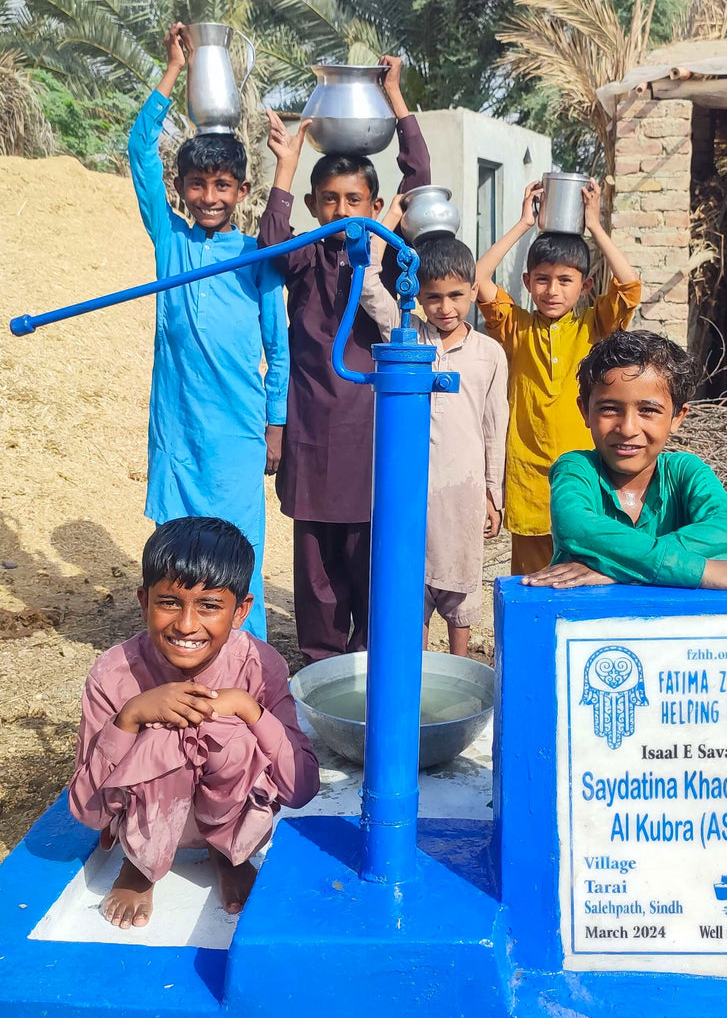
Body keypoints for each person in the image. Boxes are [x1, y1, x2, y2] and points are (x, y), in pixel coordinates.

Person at [258, 56, 430, 666]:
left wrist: (395, 99)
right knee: (316, 565)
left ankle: (371, 665)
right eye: (328, 200)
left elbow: (419, 179)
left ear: (375, 203)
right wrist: (285, 164)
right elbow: (269, 246)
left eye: (354, 200)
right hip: (309, 433)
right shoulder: (303, 258)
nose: (340, 211)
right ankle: (322, 665)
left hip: (370, 434)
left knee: (368, 556)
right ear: (313, 204)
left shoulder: (386, 256)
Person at [68, 517, 320, 930]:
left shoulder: (260, 666)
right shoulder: (113, 673)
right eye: (169, 602)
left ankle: (228, 852)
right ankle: (142, 864)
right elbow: (87, 809)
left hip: (230, 814)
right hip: (143, 816)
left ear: (240, 612)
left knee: (232, 736)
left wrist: (246, 709)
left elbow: (302, 787)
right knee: (163, 739)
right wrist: (130, 717)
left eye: (209, 606)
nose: (186, 625)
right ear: (143, 601)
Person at [128, 22, 288, 640]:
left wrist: (275, 425)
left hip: (237, 435)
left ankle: (248, 658)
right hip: (178, 428)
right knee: (175, 546)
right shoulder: (171, 242)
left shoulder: (259, 257)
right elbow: (141, 150)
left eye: (222, 185)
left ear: (242, 191)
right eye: (197, 184)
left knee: (236, 551)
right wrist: (172, 71)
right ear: (182, 189)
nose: (209, 195)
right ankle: (176, 644)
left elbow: (279, 350)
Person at [521, 330, 727, 591]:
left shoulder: (686, 472)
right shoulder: (576, 469)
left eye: (648, 410)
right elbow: (577, 528)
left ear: (677, 417)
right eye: (609, 409)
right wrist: (699, 571)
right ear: (585, 411)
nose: (628, 428)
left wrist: (618, 567)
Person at [475, 178, 642, 576]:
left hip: (587, 472)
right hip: (529, 474)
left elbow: (630, 286)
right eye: (543, 280)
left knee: (586, 572)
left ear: (584, 287)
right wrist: (522, 224)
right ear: (527, 283)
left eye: (565, 280)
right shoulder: (515, 328)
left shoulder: (593, 326)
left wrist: (595, 225)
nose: (553, 290)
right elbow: (478, 280)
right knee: (533, 581)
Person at [359, 225, 508, 655]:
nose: (445, 308)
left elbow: (494, 428)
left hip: (464, 487)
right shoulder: (409, 338)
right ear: (417, 298)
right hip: (413, 487)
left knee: (461, 579)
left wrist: (491, 494)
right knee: (414, 579)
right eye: (433, 297)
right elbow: (369, 282)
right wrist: (387, 222)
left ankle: (457, 667)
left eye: (456, 296)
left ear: (473, 291)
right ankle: (419, 673)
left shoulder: (488, 353)